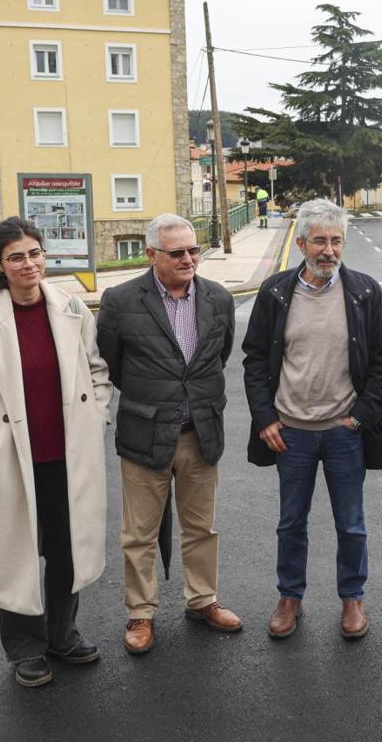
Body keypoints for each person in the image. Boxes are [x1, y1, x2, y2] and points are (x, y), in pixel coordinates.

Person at [0, 217, 112, 688]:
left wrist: (94, 418)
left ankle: (62, 635)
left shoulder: (72, 309)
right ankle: (25, 650)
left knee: (66, 553)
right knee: (15, 558)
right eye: (16, 257)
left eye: (34, 253)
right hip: (12, 461)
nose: (29, 264)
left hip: (68, 456)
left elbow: (98, 371)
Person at [243, 198, 382, 640]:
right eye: (320, 241)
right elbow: (254, 359)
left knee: (351, 523)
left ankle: (352, 598)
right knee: (291, 522)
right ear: (302, 243)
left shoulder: (364, 291)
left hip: (343, 431)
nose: (328, 250)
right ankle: (289, 597)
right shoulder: (275, 292)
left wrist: (360, 418)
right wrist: (265, 418)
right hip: (291, 433)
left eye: (336, 241)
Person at [97, 214, 242, 654]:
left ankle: (202, 600)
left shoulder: (218, 298)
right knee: (138, 534)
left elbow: (218, 356)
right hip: (145, 434)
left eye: (193, 250)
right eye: (176, 252)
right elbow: (112, 363)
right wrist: (154, 398)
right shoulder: (121, 301)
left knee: (201, 527)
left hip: (201, 432)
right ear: (151, 255)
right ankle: (140, 614)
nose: (188, 259)